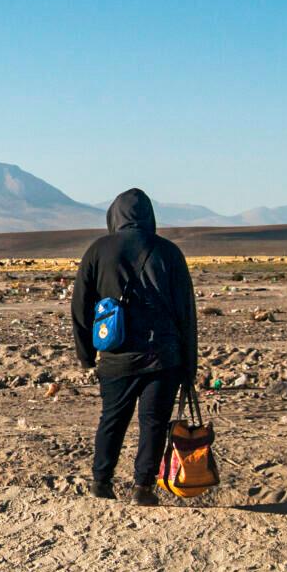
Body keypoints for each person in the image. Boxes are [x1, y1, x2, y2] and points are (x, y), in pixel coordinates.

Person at [71, 189, 198, 506]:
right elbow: (186, 313)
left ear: (114, 215)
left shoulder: (98, 250)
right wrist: (189, 365)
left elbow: (81, 307)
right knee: (153, 422)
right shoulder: (168, 252)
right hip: (163, 357)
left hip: (116, 355)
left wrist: (86, 355)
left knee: (112, 419)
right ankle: (143, 487)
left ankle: (101, 482)